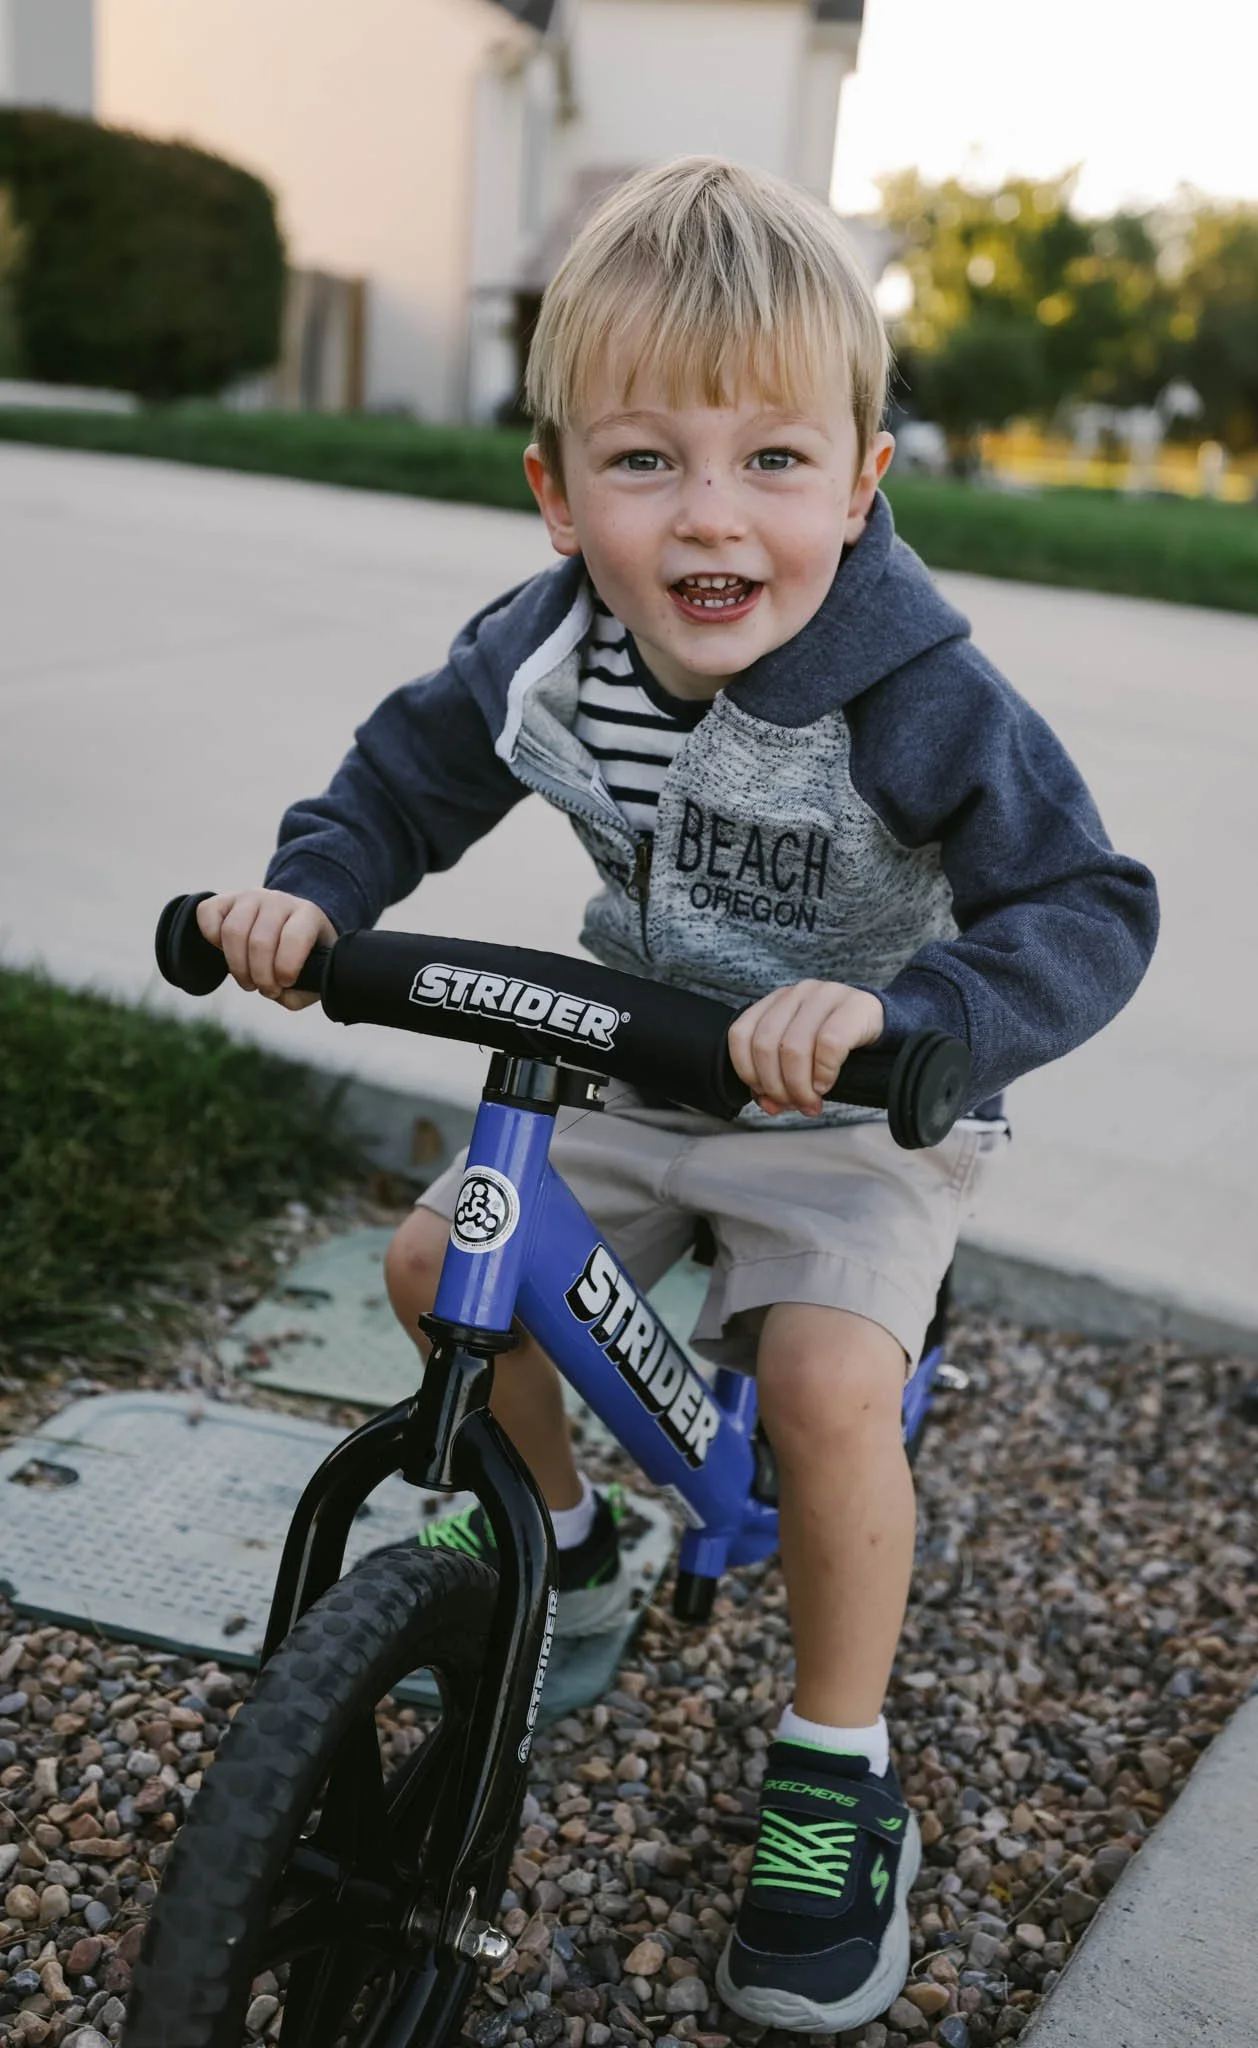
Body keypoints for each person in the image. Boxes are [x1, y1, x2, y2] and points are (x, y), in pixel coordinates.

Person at [195, 156, 1158, 2032]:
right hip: (638, 1054)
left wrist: (915, 1013)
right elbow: (401, 779)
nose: (712, 518)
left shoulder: (915, 691)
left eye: (774, 463)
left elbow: (1087, 901)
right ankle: (557, 1540)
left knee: (813, 1384)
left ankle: (832, 1764)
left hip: (851, 1103)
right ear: (553, 492)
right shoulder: (543, 645)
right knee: (436, 1264)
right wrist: (313, 894)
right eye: (645, 462)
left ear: (863, 480)